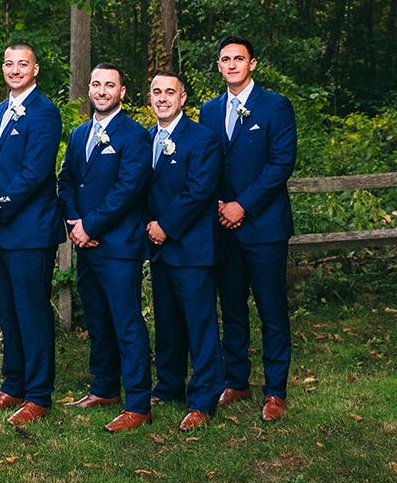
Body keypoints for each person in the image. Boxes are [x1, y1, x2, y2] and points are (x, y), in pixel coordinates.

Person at [199, 35, 297, 422]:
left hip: (265, 227)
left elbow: (281, 163)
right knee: (233, 308)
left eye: (239, 58)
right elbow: (205, 163)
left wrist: (244, 205)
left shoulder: (275, 106)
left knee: (271, 310)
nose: (232, 65)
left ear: (252, 63)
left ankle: (275, 391)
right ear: (220, 66)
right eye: (225, 59)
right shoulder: (208, 111)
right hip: (222, 227)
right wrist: (220, 206)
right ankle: (236, 380)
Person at [57, 63, 153, 432]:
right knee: (97, 319)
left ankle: (139, 402)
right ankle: (103, 387)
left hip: (118, 245)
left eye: (109, 85)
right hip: (86, 243)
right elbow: (66, 180)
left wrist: (91, 225)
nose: (101, 90)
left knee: (126, 322)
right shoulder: (81, 133)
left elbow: (129, 189)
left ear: (122, 92)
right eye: (96, 84)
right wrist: (75, 223)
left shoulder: (134, 135)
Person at [0, 43, 65, 426]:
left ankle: (38, 394)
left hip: (30, 231)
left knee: (32, 312)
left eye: (23, 64)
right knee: (8, 312)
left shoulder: (45, 113)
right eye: (9, 63)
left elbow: (35, 173)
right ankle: (12, 383)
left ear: (36, 69)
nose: (15, 70)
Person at [144, 72, 224, 431]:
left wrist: (165, 226)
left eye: (169, 92)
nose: (162, 98)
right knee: (168, 322)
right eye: (157, 92)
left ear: (183, 97)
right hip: (158, 249)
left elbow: (198, 191)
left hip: (190, 247)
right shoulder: (147, 139)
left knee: (199, 323)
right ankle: (169, 384)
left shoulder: (202, 139)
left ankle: (204, 397)